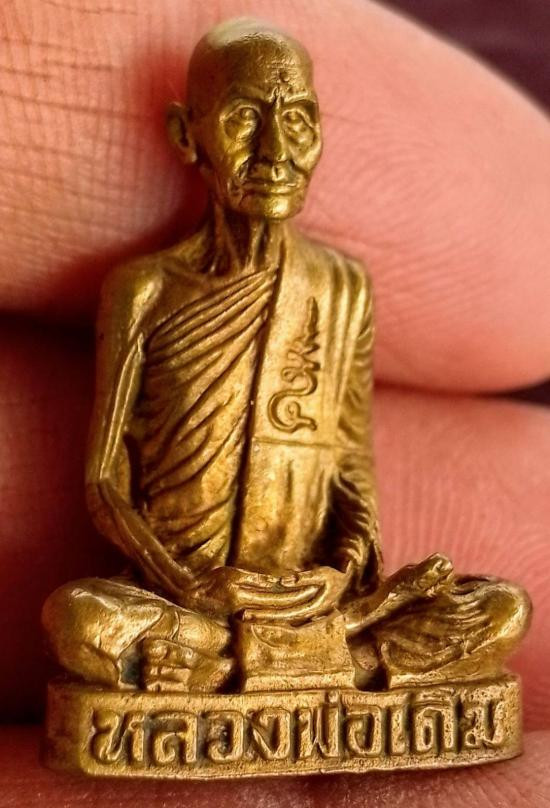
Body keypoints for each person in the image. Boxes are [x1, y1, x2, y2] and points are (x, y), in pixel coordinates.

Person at [1, 1, 549, 805]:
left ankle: (271, 664)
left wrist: (339, 576)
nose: (275, 151)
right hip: (188, 600)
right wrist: (193, 586)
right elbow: (105, 481)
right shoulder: (145, 289)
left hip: (317, 603)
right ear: (187, 135)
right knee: (77, 621)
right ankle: (312, 664)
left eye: (297, 120)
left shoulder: (341, 286)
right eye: (243, 120)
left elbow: (351, 464)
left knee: (502, 610)